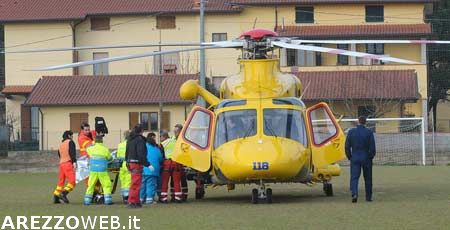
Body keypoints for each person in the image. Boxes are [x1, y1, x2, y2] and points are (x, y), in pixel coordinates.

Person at [345, 116, 376, 203]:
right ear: (365, 122)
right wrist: (370, 157)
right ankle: (368, 197)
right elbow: (372, 147)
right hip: (366, 157)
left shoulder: (351, 132)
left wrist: (350, 156)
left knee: (354, 177)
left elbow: (347, 146)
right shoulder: (369, 132)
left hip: (355, 157)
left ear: (358, 122)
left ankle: (354, 193)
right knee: (368, 178)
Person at [125, 125, 153, 208]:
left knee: (136, 183)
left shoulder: (130, 139)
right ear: (142, 131)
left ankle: (136, 201)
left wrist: (127, 161)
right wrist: (148, 164)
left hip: (130, 162)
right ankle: (132, 202)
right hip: (137, 163)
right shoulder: (140, 140)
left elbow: (127, 152)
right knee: (136, 184)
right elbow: (141, 154)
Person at [83, 135, 113, 205]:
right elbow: (110, 159)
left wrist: (92, 144)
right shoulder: (105, 149)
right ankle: (108, 200)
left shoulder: (91, 149)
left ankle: (87, 201)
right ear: (102, 141)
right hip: (102, 169)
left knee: (91, 185)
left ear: (95, 141)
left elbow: (87, 149)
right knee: (106, 184)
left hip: (93, 169)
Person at [53, 131, 77, 204]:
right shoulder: (70, 142)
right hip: (68, 163)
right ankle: (63, 194)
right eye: (72, 135)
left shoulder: (61, 144)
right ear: (69, 136)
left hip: (61, 164)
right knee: (73, 181)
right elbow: (72, 152)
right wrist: (74, 162)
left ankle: (56, 196)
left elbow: (59, 154)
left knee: (61, 182)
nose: (72, 137)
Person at [159, 131, 182, 203]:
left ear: (164, 137)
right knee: (176, 181)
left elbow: (160, 154)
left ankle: (164, 198)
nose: (160, 139)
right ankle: (178, 198)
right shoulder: (175, 141)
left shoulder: (163, 144)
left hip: (167, 163)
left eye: (161, 137)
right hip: (176, 163)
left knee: (165, 181)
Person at [140, 133, 163, 204]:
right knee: (151, 185)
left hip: (143, 169)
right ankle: (149, 199)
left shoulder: (143, 147)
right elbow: (160, 159)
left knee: (143, 185)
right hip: (153, 170)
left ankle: (141, 198)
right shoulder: (157, 149)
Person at [174, 124, 189, 202]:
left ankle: (184, 195)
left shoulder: (185, 139)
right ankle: (175, 196)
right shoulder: (173, 140)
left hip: (183, 163)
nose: (175, 133)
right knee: (174, 181)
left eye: (176, 131)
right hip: (175, 163)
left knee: (183, 180)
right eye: (174, 131)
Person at [117, 130, 131, 204]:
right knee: (128, 181)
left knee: (123, 181)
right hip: (128, 164)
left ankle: (123, 195)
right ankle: (127, 196)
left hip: (122, 165)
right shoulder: (130, 144)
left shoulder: (120, 145)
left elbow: (118, 156)